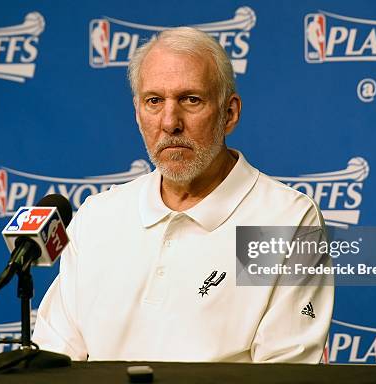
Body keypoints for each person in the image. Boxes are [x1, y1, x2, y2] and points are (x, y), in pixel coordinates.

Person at [33, 27, 333, 363]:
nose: (169, 122)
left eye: (191, 100)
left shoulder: (286, 221)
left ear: (229, 113)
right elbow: (54, 357)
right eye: (154, 101)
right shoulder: (97, 216)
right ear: (137, 112)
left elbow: (285, 371)